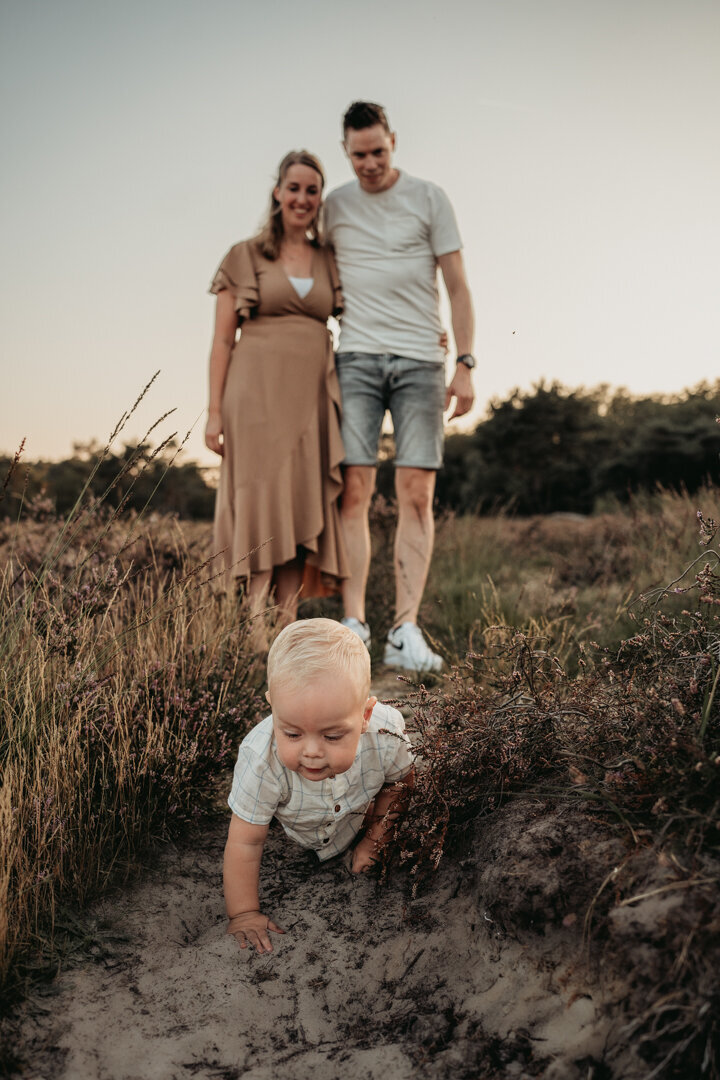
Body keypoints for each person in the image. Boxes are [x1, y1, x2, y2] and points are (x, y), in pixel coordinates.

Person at [324, 102, 476, 673]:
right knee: (355, 489)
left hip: (421, 363)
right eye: (358, 154)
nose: (369, 163)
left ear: (394, 142)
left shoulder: (430, 198)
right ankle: (355, 625)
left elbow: (459, 287)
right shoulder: (334, 206)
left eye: (378, 151)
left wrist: (464, 362)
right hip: (357, 359)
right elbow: (316, 274)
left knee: (416, 492)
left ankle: (404, 630)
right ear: (346, 150)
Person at [205, 151, 348, 626]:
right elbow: (223, 338)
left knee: (299, 504)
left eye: (312, 190)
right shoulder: (245, 255)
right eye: (294, 188)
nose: (302, 198)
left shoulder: (330, 257)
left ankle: (287, 625)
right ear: (277, 191)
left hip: (311, 399)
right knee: (261, 500)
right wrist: (213, 411)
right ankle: (251, 626)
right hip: (255, 395)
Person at [223, 618, 415, 954]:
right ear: (273, 707)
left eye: (332, 736)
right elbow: (245, 842)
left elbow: (400, 783)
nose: (311, 751)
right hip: (302, 833)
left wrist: (373, 841)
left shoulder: (386, 734)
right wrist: (244, 913)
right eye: (292, 734)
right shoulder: (260, 760)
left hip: (357, 821)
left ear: (365, 716)